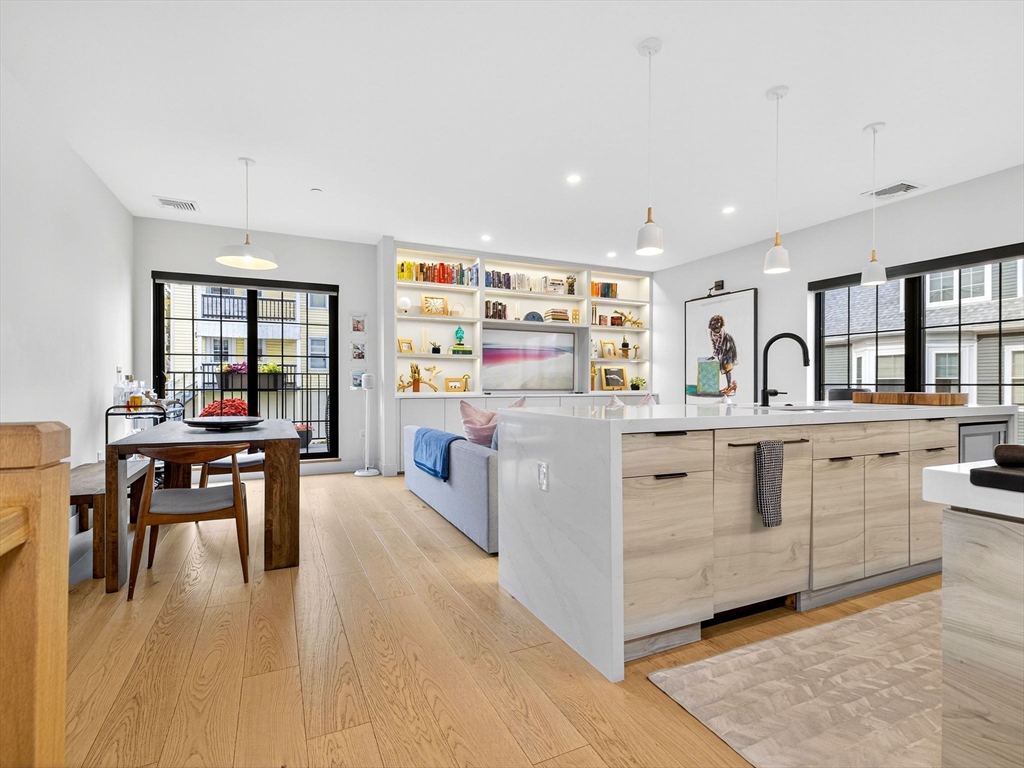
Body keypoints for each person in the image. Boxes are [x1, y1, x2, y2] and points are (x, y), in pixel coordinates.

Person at [708, 314, 738, 396]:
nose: (716, 331)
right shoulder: (711, 333)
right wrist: (714, 354)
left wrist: (717, 353)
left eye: (718, 328)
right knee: (723, 366)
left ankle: (730, 386)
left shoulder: (723, 333)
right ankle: (730, 385)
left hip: (728, 348)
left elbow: (720, 344)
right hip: (721, 349)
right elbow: (714, 344)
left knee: (727, 367)